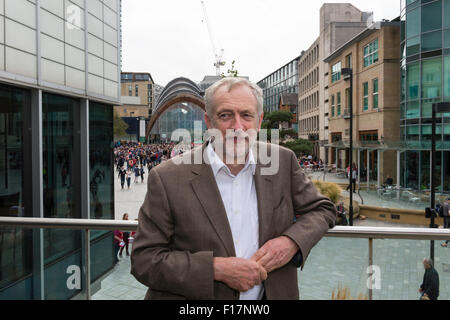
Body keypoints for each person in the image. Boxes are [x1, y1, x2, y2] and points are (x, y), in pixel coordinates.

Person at [131, 77, 337, 300]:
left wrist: (291, 243)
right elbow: (144, 260)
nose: (237, 127)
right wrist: (215, 269)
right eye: (225, 115)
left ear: (259, 122)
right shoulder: (167, 177)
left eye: (246, 115)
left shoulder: (282, 162)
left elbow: (322, 210)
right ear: (209, 122)